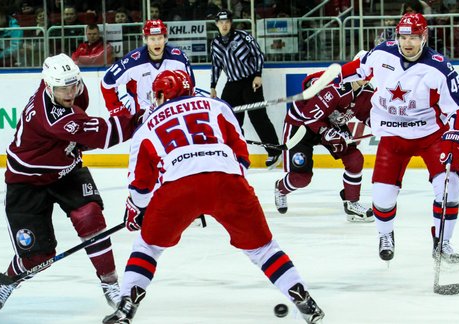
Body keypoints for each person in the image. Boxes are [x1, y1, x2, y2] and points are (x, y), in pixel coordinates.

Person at [102, 70, 325, 324]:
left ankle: (126, 306)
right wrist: (217, 189)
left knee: (148, 247)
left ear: (163, 94)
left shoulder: (147, 125)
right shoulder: (217, 106)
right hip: (228, 181)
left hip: (177, 188)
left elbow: (140, 187)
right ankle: (303, 299)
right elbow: (242, 157)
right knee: (264, 250)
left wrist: (137, 210)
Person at [0, 53, 140, 315]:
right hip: (26, 184)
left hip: (65, 172)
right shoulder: (53, 118)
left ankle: (111, 284)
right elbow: (105, 135)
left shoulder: (68, 87)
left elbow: (83, 125)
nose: (70, 93)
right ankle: (9, 278)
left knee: (90, 217)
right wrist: (146, 115)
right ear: (48, 87)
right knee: (38, 257)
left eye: (73, 85)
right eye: (62, 88)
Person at [339, 13, 459, 263]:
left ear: (424, 37)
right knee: (382, 197)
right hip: (392, 136)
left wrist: (454, 138)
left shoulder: (439, 67)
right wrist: (327, 78)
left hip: (430, 136)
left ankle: (442, 242)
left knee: (450, 187)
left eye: (413, 37)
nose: (407, 42)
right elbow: (354, 70)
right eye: (403, 36)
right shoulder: (381, 54)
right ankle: (385, 235)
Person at [274, 59, 375, 223]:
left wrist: (382, 125)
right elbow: (310, 116)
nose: (366, 76)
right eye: (363, 71)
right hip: (302, 125)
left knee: (355, 158)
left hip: (329, 123)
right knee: (301, 178)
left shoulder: (366, 92)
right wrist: (326, 132)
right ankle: (281, 188)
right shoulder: (335, 87)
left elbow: (367, 115)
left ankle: (352, 203)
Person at [210, 9, 282, 168]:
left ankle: (274, 151)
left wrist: (258, 74)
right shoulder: (215, 44)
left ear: (231, 23)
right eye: (221, 22)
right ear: (216, 24)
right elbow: (216, 66)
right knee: (229, 119)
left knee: (258, 116)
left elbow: (258, 54)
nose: (224, 25)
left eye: (227, 22)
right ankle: (234, 152)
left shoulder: (243, 36)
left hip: (250, 81)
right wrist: (213, 86)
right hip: (232, 83)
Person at [100, 19, 195, 118]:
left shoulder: (179, 58)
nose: (157, 43)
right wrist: (120, 113)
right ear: (145, 39)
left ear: (165, 38)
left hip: (171, 116)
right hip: (142, 120)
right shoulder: (132, 61)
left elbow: (191, 89)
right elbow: (107, 83)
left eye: (160, 38)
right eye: (152, 39)